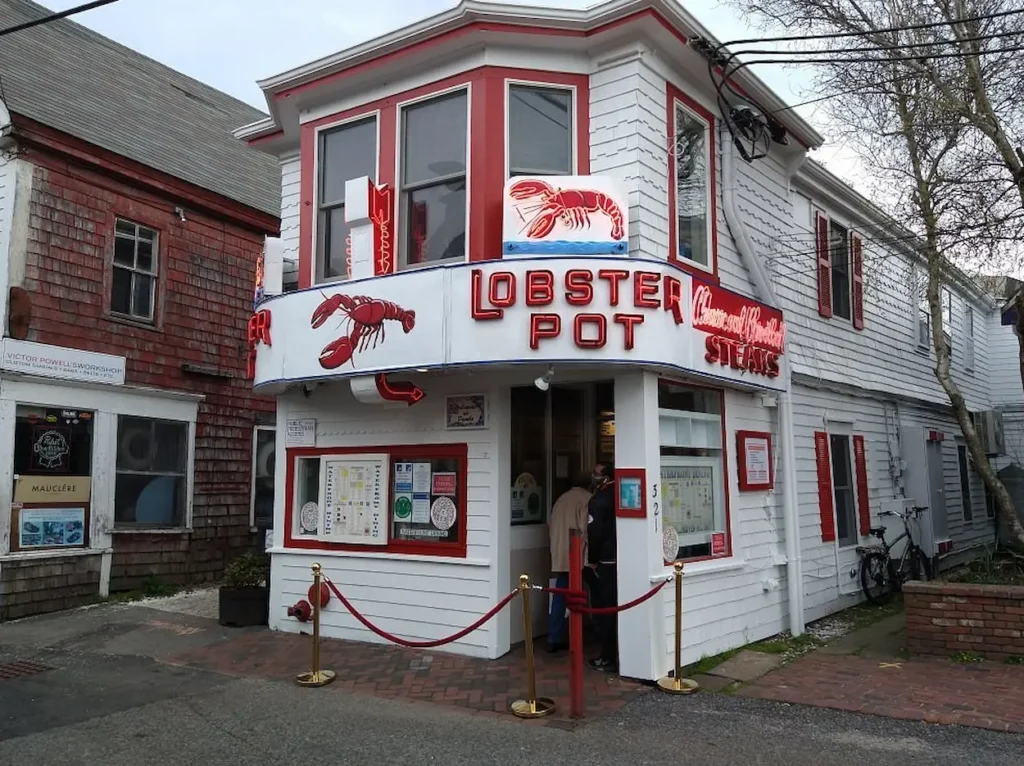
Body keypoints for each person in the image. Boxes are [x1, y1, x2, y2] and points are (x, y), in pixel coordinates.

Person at [546, 474, 591, 652]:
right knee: (583, 593)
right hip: (578, 554)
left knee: (560, 594)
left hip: (560, 553)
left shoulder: (560, 500)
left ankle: (554, 635)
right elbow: (586, 528)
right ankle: (583, 635)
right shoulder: (586, 499)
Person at [586, 462, 617, 672]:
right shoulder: (619, 495)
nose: (594, 477)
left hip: (606, 561)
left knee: (605, 609)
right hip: (621, 557)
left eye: (597, 473)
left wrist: (593, 560)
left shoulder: (599, 500)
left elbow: (594, 534)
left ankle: (607, 656)